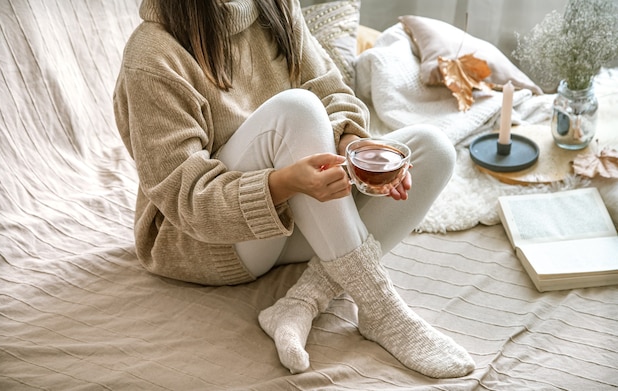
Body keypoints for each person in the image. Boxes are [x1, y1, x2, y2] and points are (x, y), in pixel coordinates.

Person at [113, 0, 475, 379]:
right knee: (297, 109)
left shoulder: (275, 5)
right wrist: (285, 183)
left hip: (291, 211)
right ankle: (380, 307)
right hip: (210, 242)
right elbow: (186, 200)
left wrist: (352, 147)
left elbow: (331, 90)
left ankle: (302, 301)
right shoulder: (152, 53)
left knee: (432, 149)